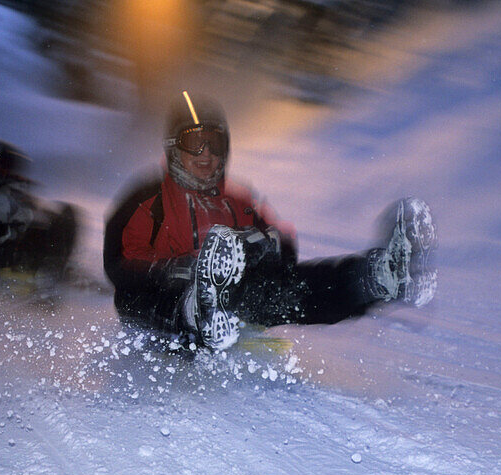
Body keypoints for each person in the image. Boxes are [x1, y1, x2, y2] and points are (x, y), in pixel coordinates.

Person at [103, 92, 436, 350]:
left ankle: (375, 277)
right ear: (175, 147)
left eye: (214, 143)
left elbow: (284, 256)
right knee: (135, 297)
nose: (206, 153)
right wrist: (183, 270)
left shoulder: (239, 200)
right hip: (164, 318)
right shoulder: (148, 199)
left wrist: (264, 247)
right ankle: (199, 311)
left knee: (287, 287)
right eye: (194, 141)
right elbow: (120, 263)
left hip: (234, 309)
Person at [0, 139, 78, 286]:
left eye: (8, 167)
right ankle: (45, 277)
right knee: (30, 228)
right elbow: (5, 214)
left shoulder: (4, 189)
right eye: (1, 165)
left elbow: (33, 213)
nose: (5, 171)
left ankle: (54, 270)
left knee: (64, 217)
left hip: (7, 253)